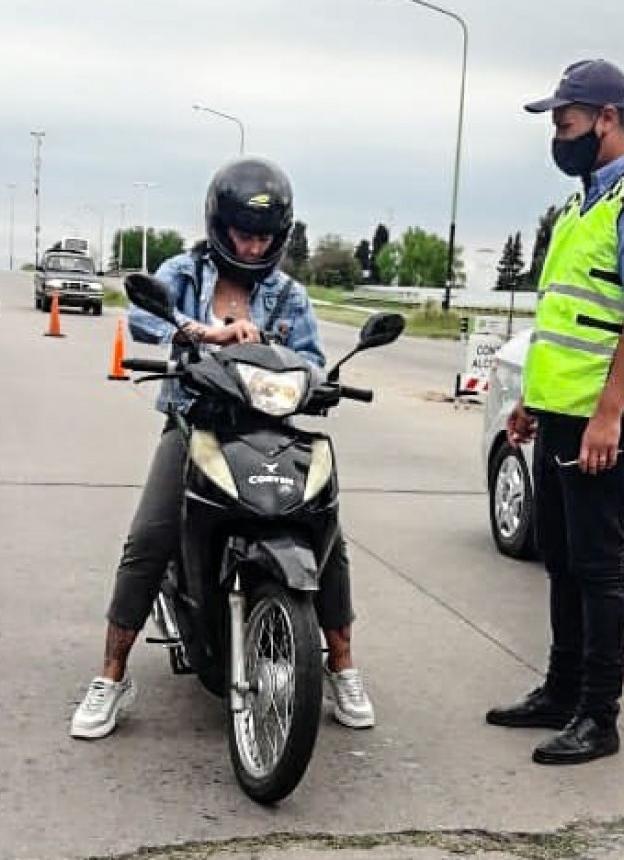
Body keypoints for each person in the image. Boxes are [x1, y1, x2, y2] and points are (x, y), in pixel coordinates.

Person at [71, 156, 376, 738]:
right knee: (152, 536)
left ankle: (341, 664)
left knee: (326, 531)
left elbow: (311, 359)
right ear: (219, 224)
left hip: (273, 429)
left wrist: (314, 376)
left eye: (265, 236)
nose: (254, 245)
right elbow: (143, 315)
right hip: (196, 424)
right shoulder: (184, 273)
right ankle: (111, 676)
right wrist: (199, 332)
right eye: (244, 232)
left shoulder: (288, 295)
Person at [486, 60, 624, 765]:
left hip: (614, 418)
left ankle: (598, 719)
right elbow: (570, 321)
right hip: (564, 412)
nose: (558, 135)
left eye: (566, 122)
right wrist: (531, 406)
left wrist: (607, 416)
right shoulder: (586, 204)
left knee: (600, 569)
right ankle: (561, 688)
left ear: (607, 117)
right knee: (563, 561)